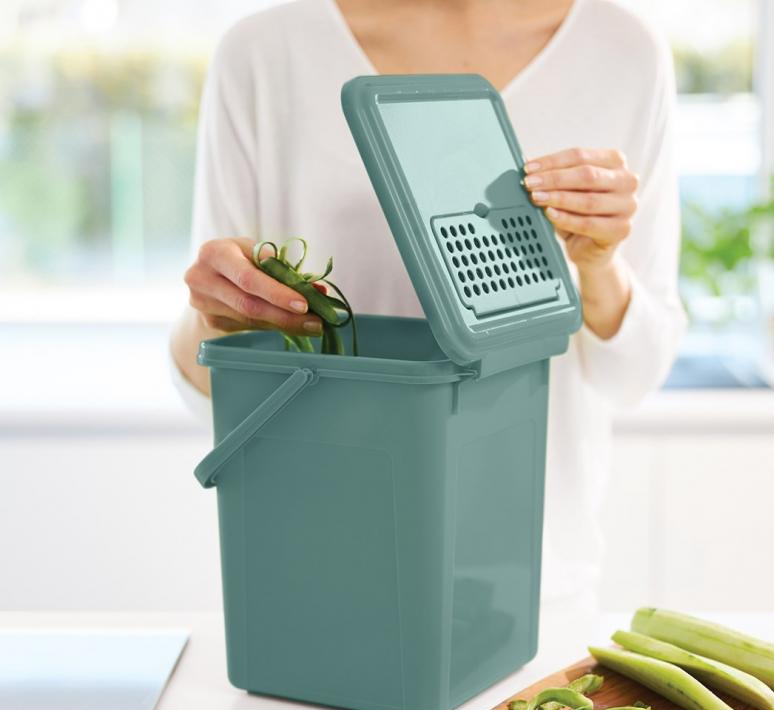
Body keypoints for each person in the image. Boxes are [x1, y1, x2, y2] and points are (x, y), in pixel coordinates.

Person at [170, 0, 685, 609]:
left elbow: (637, 374)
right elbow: (210, 382)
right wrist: (217, 317)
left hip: (534, 579)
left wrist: (598, 267)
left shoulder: (626, 51)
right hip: (320, 562)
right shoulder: (261, 52)